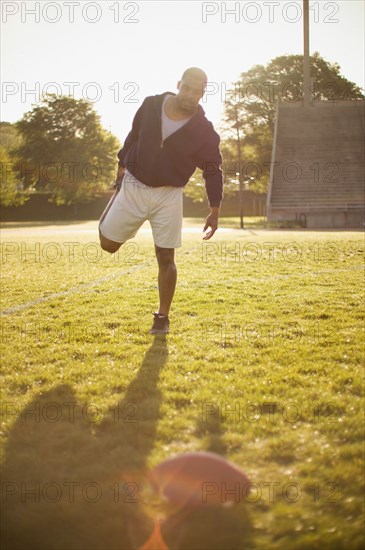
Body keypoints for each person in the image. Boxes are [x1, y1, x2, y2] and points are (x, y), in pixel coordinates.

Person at [99, 67, 223, 334]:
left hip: (169, 194)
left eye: (197, 90)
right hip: (133, 184)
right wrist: (121, 169)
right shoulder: (151, 104)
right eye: (187, 87)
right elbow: (132, 137)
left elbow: (213, 170)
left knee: (166, 256)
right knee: (108, 245)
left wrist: (214, 210)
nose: (190, 94)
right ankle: (113, 204)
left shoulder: (204, 131)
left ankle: (162, 316)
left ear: (203, 93)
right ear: (179, 84)